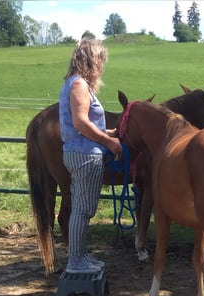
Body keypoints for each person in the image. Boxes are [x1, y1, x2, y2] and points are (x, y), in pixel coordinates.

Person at [59, 38, 123, 273]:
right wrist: (109, 142)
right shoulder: (79, 85)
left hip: (81, 151)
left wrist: (109, 132)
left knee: (81, 208)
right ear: (91, 60)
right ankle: (76, 261)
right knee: (82, 210)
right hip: (85, 155)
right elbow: (81, 122)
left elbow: (83, 124)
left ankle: (80, 256)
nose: (101, 66)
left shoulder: (74, 83)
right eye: (100, 60)